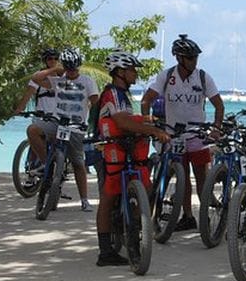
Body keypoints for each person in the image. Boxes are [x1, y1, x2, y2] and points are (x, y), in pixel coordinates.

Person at [141, 34, 224, 232]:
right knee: (182, 178)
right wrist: (148, 123)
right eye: (190, 58)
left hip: (197, 135)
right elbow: (146, 100)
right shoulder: (167, 76)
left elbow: (219, 106)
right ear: (179, 58)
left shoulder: (203, 77)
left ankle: (205, 215)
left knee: (202, 178)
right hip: (174, 135)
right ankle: (187, 216)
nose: (194, 62)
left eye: (196, 58)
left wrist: (216, 128)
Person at [95, 51, 170, 266]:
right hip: (111, 149)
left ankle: (134, 233)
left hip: (126, 147)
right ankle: (105, 252)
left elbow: (127, 119)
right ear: (120, 72)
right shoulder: (112, 93)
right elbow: (122, 122)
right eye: (132, 70)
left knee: (143, 187)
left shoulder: (122, 94)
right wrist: (154, 131)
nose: (135, 74)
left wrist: (146, 120)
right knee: (108, 196)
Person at [31, 47, 99, 212]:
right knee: (32, 130)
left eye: (74, 68)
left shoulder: (87, 81)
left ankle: (84, 200)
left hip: (76, 127)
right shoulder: (58, 80)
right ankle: (46, 163)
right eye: (68, 68)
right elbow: (36, 78)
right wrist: (55, 69)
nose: (71, 71)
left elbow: (96, 102)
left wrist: (92, 124)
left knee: (78, 163)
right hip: (57, 123)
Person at [14, 48, 60, 188]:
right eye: (49, 59)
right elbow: (28, 95)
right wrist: (19, 109)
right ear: (45, 61)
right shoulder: (38, 78)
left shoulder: (63, 78)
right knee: (34, 142)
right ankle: (34, 173)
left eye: (55, 58)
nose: (52, 61)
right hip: (41, 117)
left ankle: (59, 170)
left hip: (58, 118)